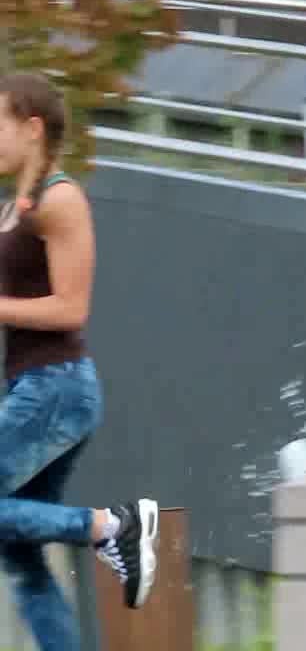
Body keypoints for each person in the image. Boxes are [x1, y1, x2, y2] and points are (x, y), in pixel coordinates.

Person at [0, 72, 160, 649]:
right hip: (32, 385)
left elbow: (71, 308)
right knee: (20, 556)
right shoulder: (15, 208)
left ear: (32, 128)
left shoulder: (61, 199)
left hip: (57, 388)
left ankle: (112, 526)